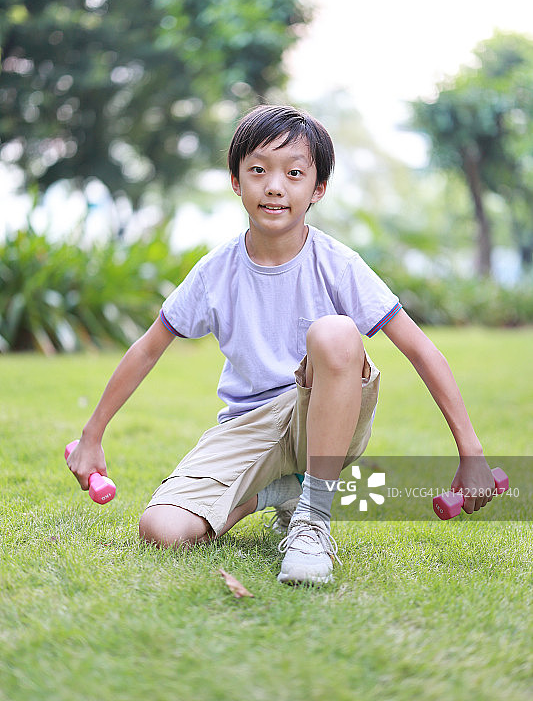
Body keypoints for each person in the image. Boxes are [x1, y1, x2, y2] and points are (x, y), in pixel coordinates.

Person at [67, 104, 496, 585]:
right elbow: (148, 348)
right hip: (247, 426)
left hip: (324, 415)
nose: (274, 186)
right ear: (236, 181)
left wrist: (472, 453)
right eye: (258, 170)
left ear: (318, 189)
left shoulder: (338, 264)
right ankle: (279, 492)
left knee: (334, 332)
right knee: (161, 530)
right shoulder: (214, 272)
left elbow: (421, 349)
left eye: (294, 173)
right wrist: (92, 435)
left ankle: (312, 520)